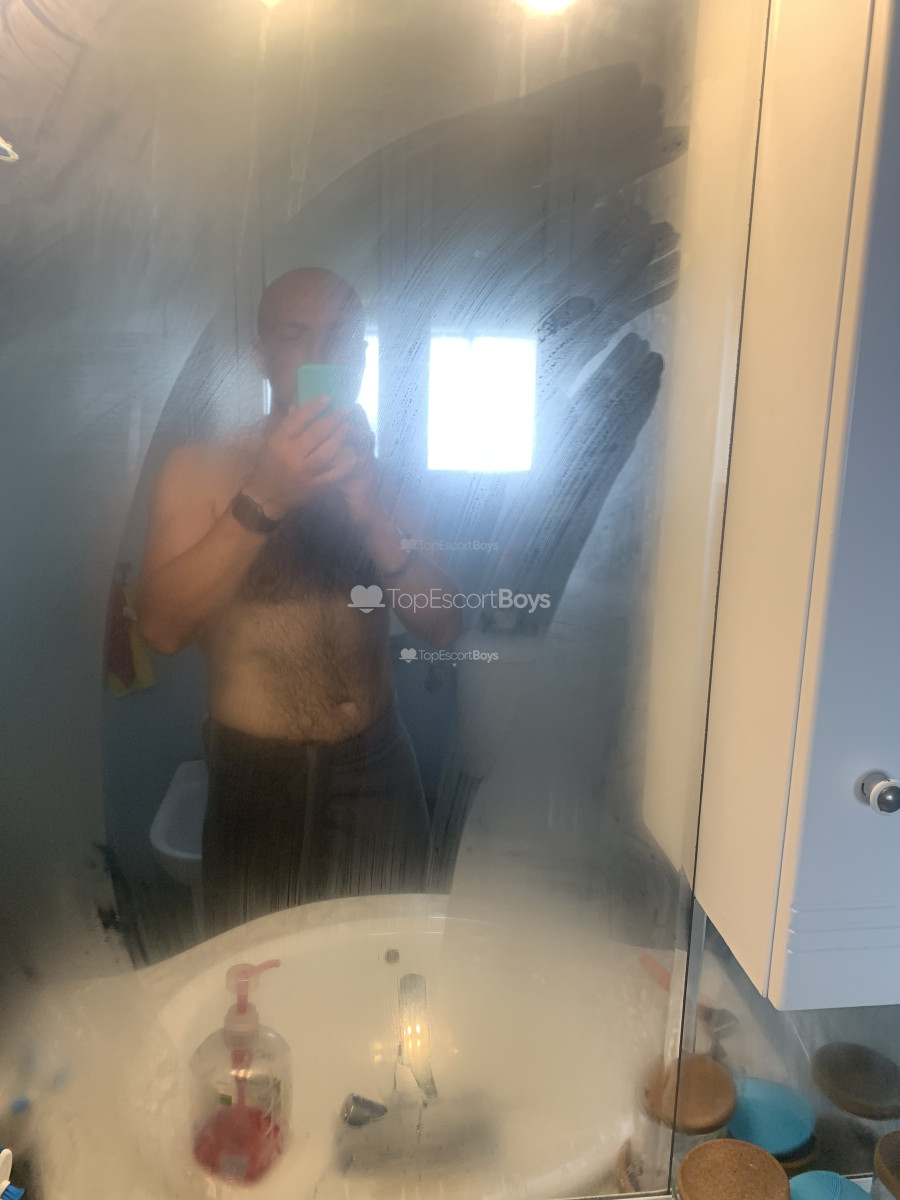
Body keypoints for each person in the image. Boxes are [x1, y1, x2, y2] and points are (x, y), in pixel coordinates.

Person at [136, 267, 461, 934]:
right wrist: (265, 497)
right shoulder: (199, 469)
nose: (321, 355)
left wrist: (372, 516)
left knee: (392, 961)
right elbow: (162, 629)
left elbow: (444, 626)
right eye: (295, 335)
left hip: (378, 767)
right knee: (255, 970)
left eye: (341, 338)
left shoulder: (390, 479)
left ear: (361, 358)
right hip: (257, 776)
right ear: (260, 356)